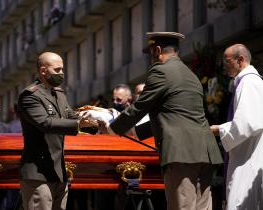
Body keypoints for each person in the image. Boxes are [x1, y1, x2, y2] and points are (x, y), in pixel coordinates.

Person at [100, 32, 223, 210]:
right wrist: (135, 132)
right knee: (202, 207)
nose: (151, 60)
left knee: (182, 206)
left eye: (151, 54)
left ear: (157, 50)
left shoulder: (161, 70)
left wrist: (112, 129)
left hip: (182, 153)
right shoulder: (190, 75)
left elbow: (140, 107)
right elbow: (174, 115)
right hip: (205, 151)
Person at [17, 52, 97, 210]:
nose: (61, 73)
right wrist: (79, 124)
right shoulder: (30, 96)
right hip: (38, 173)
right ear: (43, 71)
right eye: (57, 70)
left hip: (58, 171)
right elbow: (45, 123)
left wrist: (97, 119)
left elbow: (72, 116)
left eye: (62, 69)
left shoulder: (59, 94)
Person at [210, 44, 263, 210]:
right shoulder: (245, 82)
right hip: (245, 153)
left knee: (240, 203)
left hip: (249, 156)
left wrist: (219, 129)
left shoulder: (249, 82)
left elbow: (248, 122)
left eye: (227, 61)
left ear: (240, 60)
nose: (224, 66)